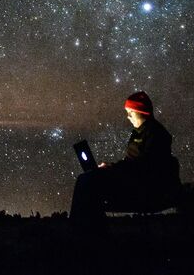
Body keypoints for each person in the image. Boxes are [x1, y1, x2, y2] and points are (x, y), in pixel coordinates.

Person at [69, 91, 181, 222]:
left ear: (142, 111)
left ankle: (81, 231)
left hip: (143, 187)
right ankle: (89, 229)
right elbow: (132, 163)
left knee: (87, 181)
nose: (128, 116)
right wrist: (112, 167)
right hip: (132, 180)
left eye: (131, 112)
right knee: (88, 181)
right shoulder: (138, 133)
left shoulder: (156, 134)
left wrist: (114, 170)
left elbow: (144, 166)